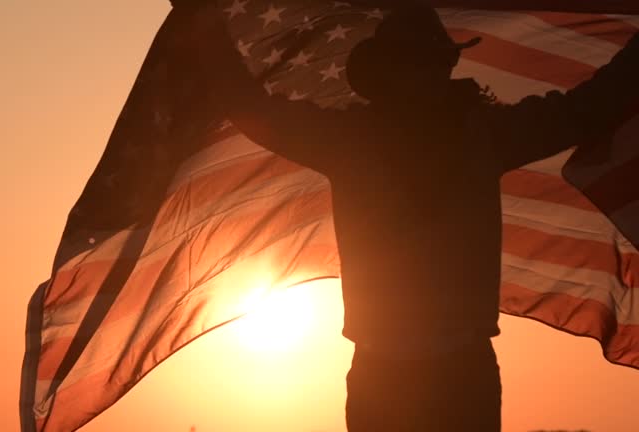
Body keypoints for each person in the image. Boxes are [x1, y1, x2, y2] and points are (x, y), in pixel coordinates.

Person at [169, 2, 639, 431]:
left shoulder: (474, 134)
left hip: (453, 372)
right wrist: (203, 21)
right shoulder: (362, 140)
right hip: (394, 372)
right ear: (392, 73)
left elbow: (587, 108)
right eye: (416, 62)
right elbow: (251, 108)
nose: (427, 73)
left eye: (432, 61)